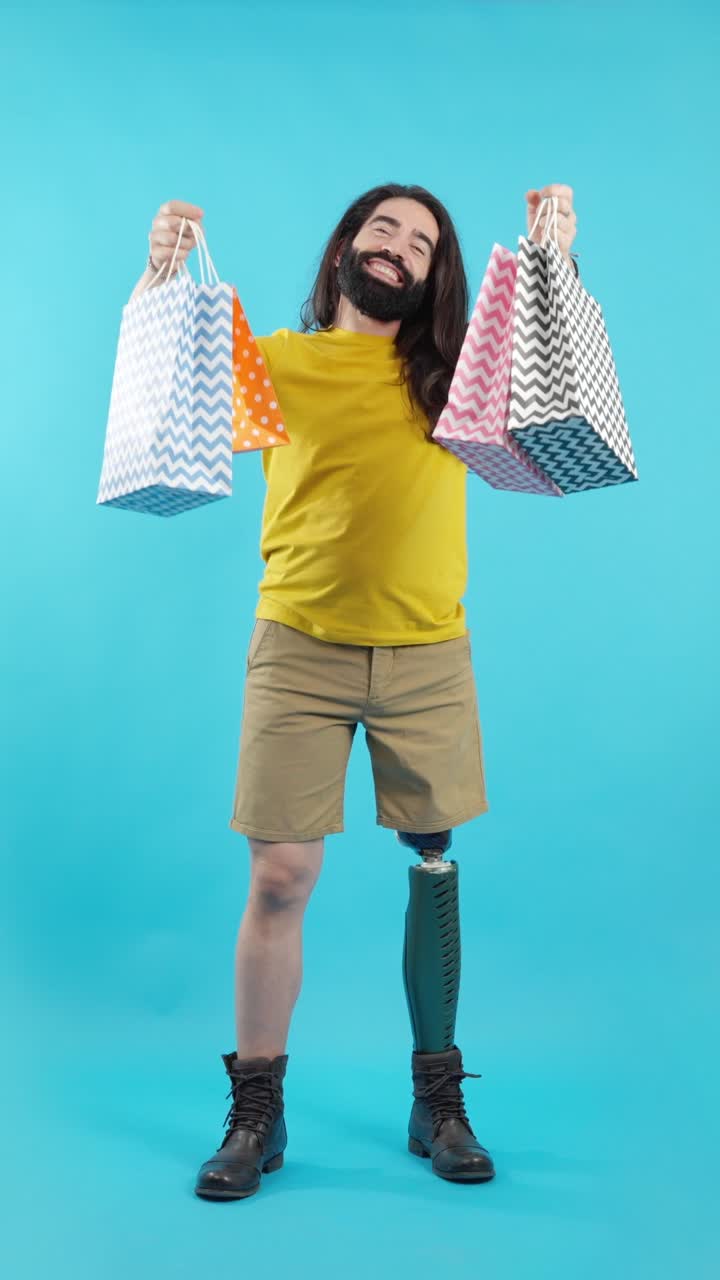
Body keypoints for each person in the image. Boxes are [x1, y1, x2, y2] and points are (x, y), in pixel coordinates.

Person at [132, 183, 579, 1201]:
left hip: (427, 651)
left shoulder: (455, 377)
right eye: (383, 227)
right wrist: (160, 277)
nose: (398, 247)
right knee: (280, 877)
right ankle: (257, 1108)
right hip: (299, 647)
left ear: (433, 276)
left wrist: (556, 257)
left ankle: (438, 1100)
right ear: (345, 245)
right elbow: (163, 401)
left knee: (434, 865)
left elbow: (552, 381)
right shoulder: (273, 362)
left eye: (422, 242)